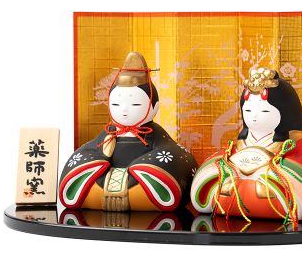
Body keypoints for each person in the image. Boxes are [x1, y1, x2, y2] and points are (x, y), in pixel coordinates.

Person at [191, 68, 302, 225]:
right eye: (248, 110)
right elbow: (214, 167)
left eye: (264, 111)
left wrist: (252, 177)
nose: (254, 116)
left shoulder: (293, 145)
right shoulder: (236, 147)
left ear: (285, 112)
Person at [59, 52, 198, 212]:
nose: (124, 110)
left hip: (140, 178)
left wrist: (137, 168)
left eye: (135, 105)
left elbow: (170, 151)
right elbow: (91, 149)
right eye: (116, 105)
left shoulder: (153, 133)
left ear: (154, 107)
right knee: (82, 177)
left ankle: (131, 196)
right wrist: (100, 160)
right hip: (106, 177)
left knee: (162, 177)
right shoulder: (109, 133)